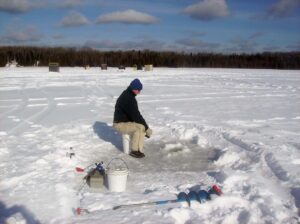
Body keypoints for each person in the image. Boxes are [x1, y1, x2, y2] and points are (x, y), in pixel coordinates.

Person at [113, 78, 152, 158]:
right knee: (139, 128)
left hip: (125, 122)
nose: (139, 92)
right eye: (138, 90)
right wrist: (147, 128)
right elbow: (136, 116)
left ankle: (139, 150)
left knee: (142, 127)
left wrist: (145, 128)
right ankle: (134, 150)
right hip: (119, 124)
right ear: (134, 88)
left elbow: (135, 116)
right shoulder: (128, 98)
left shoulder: (128, 94)